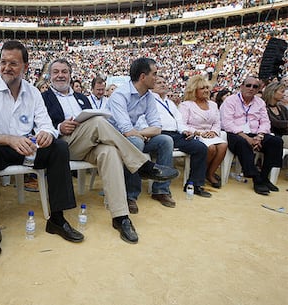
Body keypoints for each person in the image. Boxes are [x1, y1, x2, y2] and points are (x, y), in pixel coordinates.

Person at [42, 58, 179, 243]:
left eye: (64, 71)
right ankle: (143, 166)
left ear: (70, 74)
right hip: (63, 145)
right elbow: (40, 126)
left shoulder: (81, 98)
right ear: (50, 76)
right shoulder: (44, 98)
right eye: (56, 72)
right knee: (99, 122)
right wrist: (59, 127)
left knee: (110, 152)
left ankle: (120, 217)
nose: (60, 75)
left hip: (86, 143)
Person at [0, 41, 84, 258]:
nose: (6, 67)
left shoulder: (33, 92)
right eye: (3, 62)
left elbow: (46, 125)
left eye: (13, 63)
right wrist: (8, 139)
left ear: (25, 67)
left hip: (27, 146)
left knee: (59, 146)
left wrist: (46, 135)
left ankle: (57, 219)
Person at [106, 58, 177, 209]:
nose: (157, 78)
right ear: (143, 77)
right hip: (114, 139)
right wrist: (140, 134)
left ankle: (161, 190)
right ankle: (130, 195)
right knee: (136, 142)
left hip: (134, 136)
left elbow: (157, 127)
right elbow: (125, 130)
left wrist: (140, 133)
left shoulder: (149, 96)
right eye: (155, 74)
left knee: (166, 140)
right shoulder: (120, 95)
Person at [220, 76, 283, 195]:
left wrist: (259, 137)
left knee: (276, 142)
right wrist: (247, 138)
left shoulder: (260, 103)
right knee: (243, 143)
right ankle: (256, 179)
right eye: (248, 85)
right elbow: (227, 123)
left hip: (256, 134)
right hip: (236, 134)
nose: (251, 88)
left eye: (255, 86)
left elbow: (265, 122)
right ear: (242, 86)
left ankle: (264, 176)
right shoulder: (230, 101)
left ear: (258, 89)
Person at [151, 76, 212, 198]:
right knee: (166, 142)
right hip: (159, 134)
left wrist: (185, 131)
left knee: (200, 147)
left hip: (176, 134)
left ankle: (194, 184)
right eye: (159, 82)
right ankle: (160, 189)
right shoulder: (149, 100)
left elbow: (179, 120)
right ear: (152, 86)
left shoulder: (169, 102)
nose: (163, 84)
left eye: (164, 82)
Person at [180, 75, 228, 188]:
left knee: (223, 145)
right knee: (210, 148)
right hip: (195, 134)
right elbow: (182, 124)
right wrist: (198, 132)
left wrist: (214, 132)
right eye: (202, 88)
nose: (206, 90)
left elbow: (217, 122)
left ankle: (209, 174)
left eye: (207, 88)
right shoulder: (186, 105)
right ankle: (200, 174)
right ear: (194, 90)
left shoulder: (213, 104)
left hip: (211, 134)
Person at [262, 81, 288, 148]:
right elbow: (275, 123)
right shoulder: (263, 108)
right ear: (273, 92)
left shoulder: (282, 108)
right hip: (272, 138)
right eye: (282, 92)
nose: (284, 94)